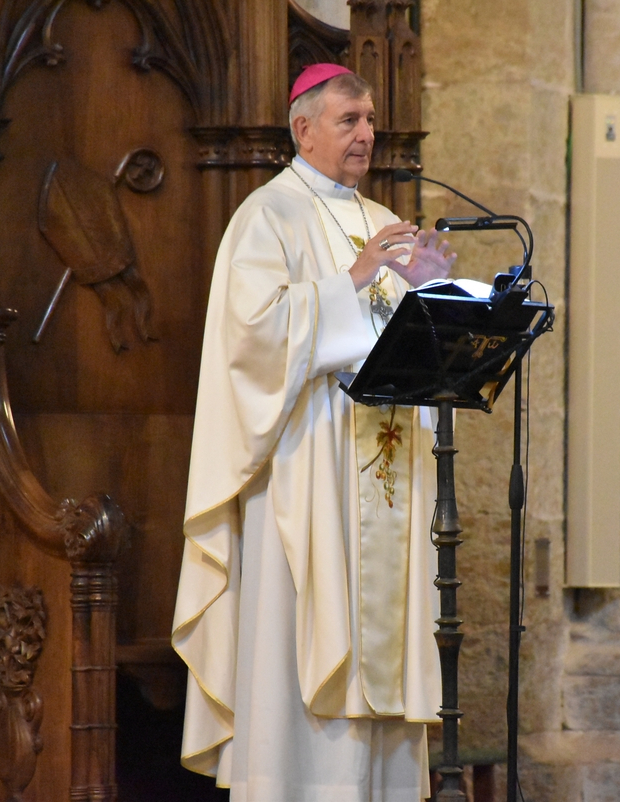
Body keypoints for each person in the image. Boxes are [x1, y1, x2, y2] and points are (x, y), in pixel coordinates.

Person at [171, 63, 458, 801]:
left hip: (380, 486)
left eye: (369, 121)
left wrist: (427, 297)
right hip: (306, 482)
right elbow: (251, 340)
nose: (366, 134)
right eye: (349, 121)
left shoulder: (378, 221)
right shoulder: (267, 216)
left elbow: (392, 348)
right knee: (301, 654)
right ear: (304, 129)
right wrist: (354, 280)